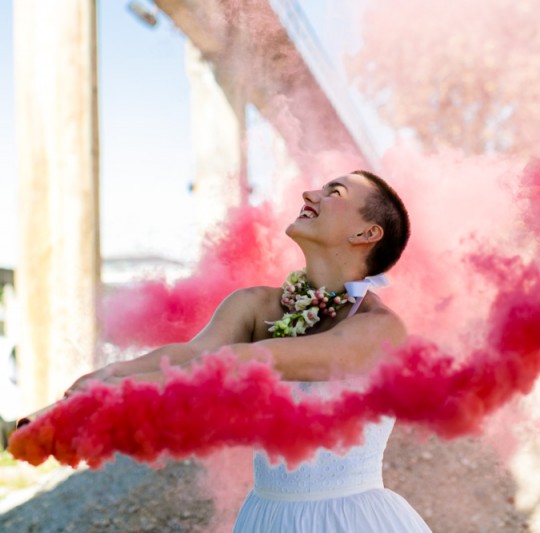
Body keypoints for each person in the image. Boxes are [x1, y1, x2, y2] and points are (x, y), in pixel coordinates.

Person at [64, 170, 431, 532]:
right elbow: (194, 354)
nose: (309, 194)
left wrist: (119, 391)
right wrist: (112, 374)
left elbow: (247, 362)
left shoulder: (381, 327)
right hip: (267, 518)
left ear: (366, 233)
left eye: (334, 192)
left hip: (352, 521)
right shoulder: (254, 305)